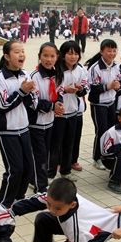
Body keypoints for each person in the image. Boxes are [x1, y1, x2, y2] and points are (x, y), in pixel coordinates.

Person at [12, 177, 118, 242]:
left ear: (72, 205)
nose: (52, 210)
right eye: (49, 204)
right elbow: (35, 201)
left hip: (100, 232)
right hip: (92, 222)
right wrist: (12, 211)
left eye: (57, 208)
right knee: (42, 218)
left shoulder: (77, 228)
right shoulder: (58, 197)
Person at [0, 40, 37, 208]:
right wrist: (22, 91)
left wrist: (30, 93)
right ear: (6, 56)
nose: (21, 55)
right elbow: (3, 105)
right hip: (7, 130)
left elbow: (33, 102)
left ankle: (19, 197)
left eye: (22, 51)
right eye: (17, 52)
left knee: (28, 168)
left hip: (24, 127)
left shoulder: (25, 74)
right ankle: (3, 203)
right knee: (15, 169)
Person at [49, 40, 88, 180]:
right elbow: (51, 90)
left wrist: (80, 90)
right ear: (62, 55)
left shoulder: (81, 69)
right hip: (59, 114)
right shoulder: (56, 70)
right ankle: (50, 174)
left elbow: (86, 86)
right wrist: (64, 90)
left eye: (76, 54)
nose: (73, 57)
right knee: (55, 145)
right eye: (70, 54)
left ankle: (65, 171)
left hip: (73, 112)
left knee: (69, 143)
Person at [28, 42, 60, 193]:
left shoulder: (56, 74)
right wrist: (53, 106)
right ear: (39, 57)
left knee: (46, 153)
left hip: (50, 121)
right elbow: (33, 102)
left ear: (57, 57)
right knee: (39, 155)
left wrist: (58, 104)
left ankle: (35, 179)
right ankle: (40, 187)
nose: (49, 59)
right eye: (45, 55)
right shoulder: (33, 77)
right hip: (36, 124)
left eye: (52, 56)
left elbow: (57, 94)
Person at [85, 39, 120, 171]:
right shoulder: (95, 68)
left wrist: (118, 86)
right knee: (101, 131)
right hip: (98, 104)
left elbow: (118, 81)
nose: (111, 53)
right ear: (101, 51)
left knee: (110, 130)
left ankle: (107, 154)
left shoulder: (116, 66)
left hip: (111, 102)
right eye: (108, 50)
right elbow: (92, 88)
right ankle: (96, 158)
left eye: (114, 50)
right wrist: (108, 86)